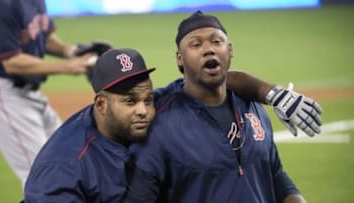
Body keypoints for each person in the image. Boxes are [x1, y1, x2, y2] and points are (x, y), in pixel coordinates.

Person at [124, 11, 310, 203]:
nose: (208, 49)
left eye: (216, 42)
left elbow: (272, 172)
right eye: (196, 44)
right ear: (180, 58)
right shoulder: (161, 122)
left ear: (229, 50)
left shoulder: (253, 106)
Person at [23, 48, 157, 202]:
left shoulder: (131, 121)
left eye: (148, 100)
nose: (143, 111)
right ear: (101, 104)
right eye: (130, 101)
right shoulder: (65, 167)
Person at [0, 0, 97, 187]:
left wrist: (70, 51)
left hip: (32, 93)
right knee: (42, 179)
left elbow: (41, 35)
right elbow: (11, 61)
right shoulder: (2, 5)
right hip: (7, 94)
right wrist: (67, 67)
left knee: (69, 158)